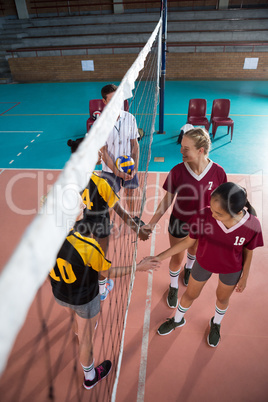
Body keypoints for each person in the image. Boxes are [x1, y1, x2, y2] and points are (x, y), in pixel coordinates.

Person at [49, 193, 160, 390]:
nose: (84, 203)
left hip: (59, 294)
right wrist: (138, 267)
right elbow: (109, 272)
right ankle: (90, 376)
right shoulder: (87, 246)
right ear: (72, 215)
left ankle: (77, 330)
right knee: (86, 338)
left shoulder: (43, 239)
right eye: (78, 203)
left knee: (74, 319)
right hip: (84, 299)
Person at [155, 182, 263, 347]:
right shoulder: (204, 215)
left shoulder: (252, 224)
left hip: (231, 268)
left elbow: (249, 250)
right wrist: (159, 257)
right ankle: (177, 320)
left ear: (238, 212)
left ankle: (216, 323)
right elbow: (188, 241)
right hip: (204, 262)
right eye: (212, 209)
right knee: (190, 294)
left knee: (222, 298)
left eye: (218, 213)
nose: (212, 215)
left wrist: (245, 276)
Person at [142, 128, 227, 309]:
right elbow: (167, 201)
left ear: (200, 150)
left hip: (204, 225)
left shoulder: (218, 173)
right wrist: (151, 224)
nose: (181, 151)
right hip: (180, 222)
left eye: (186, 148)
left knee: (194, 251)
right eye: (181, 146)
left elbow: (223, 202)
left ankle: (189, 268)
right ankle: (173, 286)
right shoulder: (178, 171)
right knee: (176, 257)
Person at [67, 139, 149, 302]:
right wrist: (137, 229)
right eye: (97, 150)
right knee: (100, 258)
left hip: (78, 226)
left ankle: (84, 284)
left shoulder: (68, 179)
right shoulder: (101, 182)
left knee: (81, 257)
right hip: (100, 225)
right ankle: (102, 289)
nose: (100, 152)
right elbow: (121, 211)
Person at [100, 84, 140, 218]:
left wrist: (135, 168)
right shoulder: (100, 123)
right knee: (111, 199)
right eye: (111, 100)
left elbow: (135, 144)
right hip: (109, 169)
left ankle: (134, 219)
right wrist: (117, 172)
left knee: (131, 193)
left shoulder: (130, 118)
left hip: (129, 166)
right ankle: (108, 224)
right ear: (104, 102)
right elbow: (103, 152)